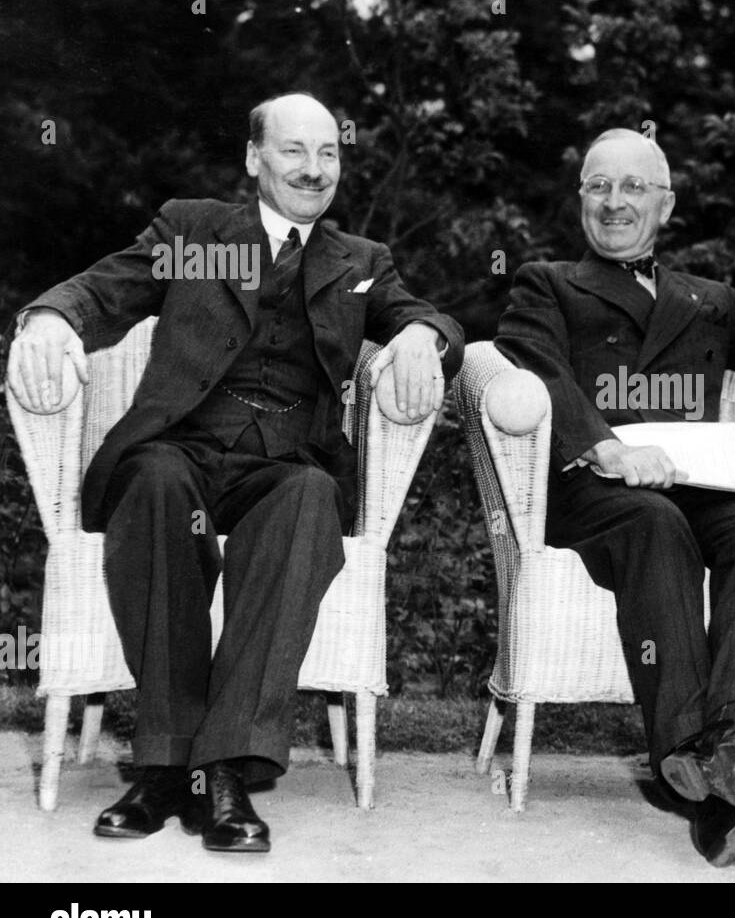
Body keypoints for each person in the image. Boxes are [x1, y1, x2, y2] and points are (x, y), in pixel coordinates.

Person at [5, 92, 464, 853]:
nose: (313, 170)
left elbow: (434, 316)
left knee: (311, 499)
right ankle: (162, 764)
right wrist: (49, 319)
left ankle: (222, 769)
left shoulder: (360, 261)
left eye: (328, 154)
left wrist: (420, 335)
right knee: (153, 484)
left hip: (286, 461)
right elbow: (99, 290)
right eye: (294, 151)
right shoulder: (195, 229)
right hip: (179, 445)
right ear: (255, 159)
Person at [494, 128, 735, 866]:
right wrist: (608, 446)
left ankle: (729, 742)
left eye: (632, 188)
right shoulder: (547, 282)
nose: (613, 203)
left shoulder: (708, 299)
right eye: (598, 186)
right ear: (580, 200)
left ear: (665, 205)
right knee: (654, 523)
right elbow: (538, 368)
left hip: (697, 476)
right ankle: (706, 762)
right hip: (594, 487)